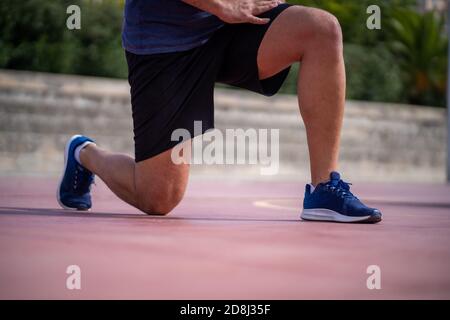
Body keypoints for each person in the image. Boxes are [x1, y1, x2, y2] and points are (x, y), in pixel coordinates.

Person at [57, 0, 382, 224]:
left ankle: (323, 189)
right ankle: (85, 153)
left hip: (233, 21)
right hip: (164, 43)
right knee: (158, 198)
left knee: (321, 29)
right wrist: (219, 5)